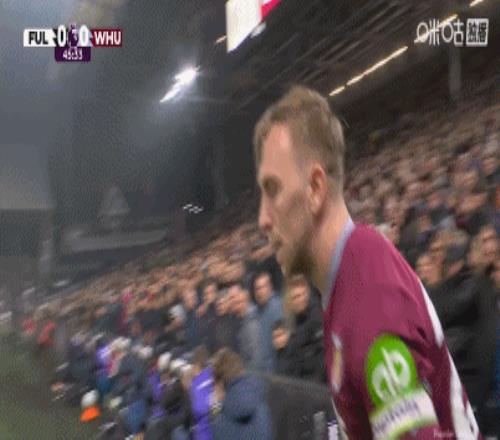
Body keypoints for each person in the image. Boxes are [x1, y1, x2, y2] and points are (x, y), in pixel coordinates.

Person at [253, 85, 480, 438]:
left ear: (315, 188)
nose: (263, 219)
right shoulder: (349, 277)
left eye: (273, 189)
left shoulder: (370, 300)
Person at [211, 349, 273, 440]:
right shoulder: (260, 401)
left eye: (213, 384)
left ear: (220, 383)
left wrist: (215, 407)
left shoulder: (222, 421)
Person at [286, 274, 325, 383]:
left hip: (315, 386)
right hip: (299, 385)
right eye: (294, 298)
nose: (297, 301)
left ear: (307, 294)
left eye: (299, 295)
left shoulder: (317, 318)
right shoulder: (293, 322)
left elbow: (323, 356)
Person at [252, 271, 283, 372]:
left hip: (275, 371)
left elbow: (280, 346)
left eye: (263, 287)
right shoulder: (258, 310)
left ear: (270, 287)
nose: (260, 292)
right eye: (257, 289)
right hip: (262, 371)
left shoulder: (277, 309)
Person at [232, 282, 261, 370]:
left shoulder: (252, 322)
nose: (234, 301)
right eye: (232, 298)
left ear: (245, 296)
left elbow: (256, 357)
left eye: (235, 296)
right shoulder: (241, 319)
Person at [189, 346, 214, 440]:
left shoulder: (197, 383)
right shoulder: (213, 374)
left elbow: (199, 409)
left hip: (203, 432)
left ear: (196, 365)